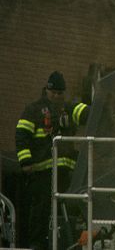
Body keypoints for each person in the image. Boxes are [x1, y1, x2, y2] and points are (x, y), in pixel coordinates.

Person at [14, 72, 87, 250]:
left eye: (60, 93)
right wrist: (25, 162)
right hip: (42, 173)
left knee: (69, 211)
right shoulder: (34, 110)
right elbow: (21, 135)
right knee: (40, 211)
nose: (56, 96)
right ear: (47, 90)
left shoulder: (68, 108)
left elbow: (85, 113)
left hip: (65, 174)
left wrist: (100, 105)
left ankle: (70, 243)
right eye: (53, 92)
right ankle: (37, 246)